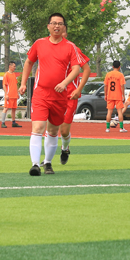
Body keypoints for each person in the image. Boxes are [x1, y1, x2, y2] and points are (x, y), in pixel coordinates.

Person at [18, 13, 89, 176]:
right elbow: (29, 62)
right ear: (48, 26)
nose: (57, 26)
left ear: (64, 27)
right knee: (38, 127)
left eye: (60, 24)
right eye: (54, 23)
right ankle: (35, 164)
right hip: (41, 94)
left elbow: (77, 69)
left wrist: (65, 83)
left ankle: (48, 162)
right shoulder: (39, 43)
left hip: (61, 96)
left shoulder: (70, 47)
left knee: (53, 130)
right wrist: (23, 83)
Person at [59, 27, 90, 165]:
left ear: (65, 33)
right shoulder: (48, 48)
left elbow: (87, 69)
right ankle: (47, 160)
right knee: (49, 128)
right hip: (53, 95)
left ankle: (65, 148)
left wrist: (78, 89)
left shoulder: (74, 49)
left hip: (70, 95)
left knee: (64, 131)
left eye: (62, 31)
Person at [104, 61, 127, 133]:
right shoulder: (120, 75)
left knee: (109, 112)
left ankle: (107, 128)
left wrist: (105, 95)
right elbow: (122, 86)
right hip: (118, 95)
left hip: (110, 95)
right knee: (119, 112)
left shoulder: (108, 74)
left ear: (112, 66)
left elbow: (105, 85)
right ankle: (121, 128)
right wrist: (123, 95)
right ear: (119, 67)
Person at [1, 61, 22, 128]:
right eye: (14, 66)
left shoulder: (14, 74)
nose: (15, 67)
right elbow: (4, 85)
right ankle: (3, 122)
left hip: (14, 95)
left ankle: (13, 122)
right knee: (6, 108)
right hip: (9, 95)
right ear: (10, 66)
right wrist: (6, 94)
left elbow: (15, 84)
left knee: (14, 109)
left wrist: (17, 93)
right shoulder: (6, 75)